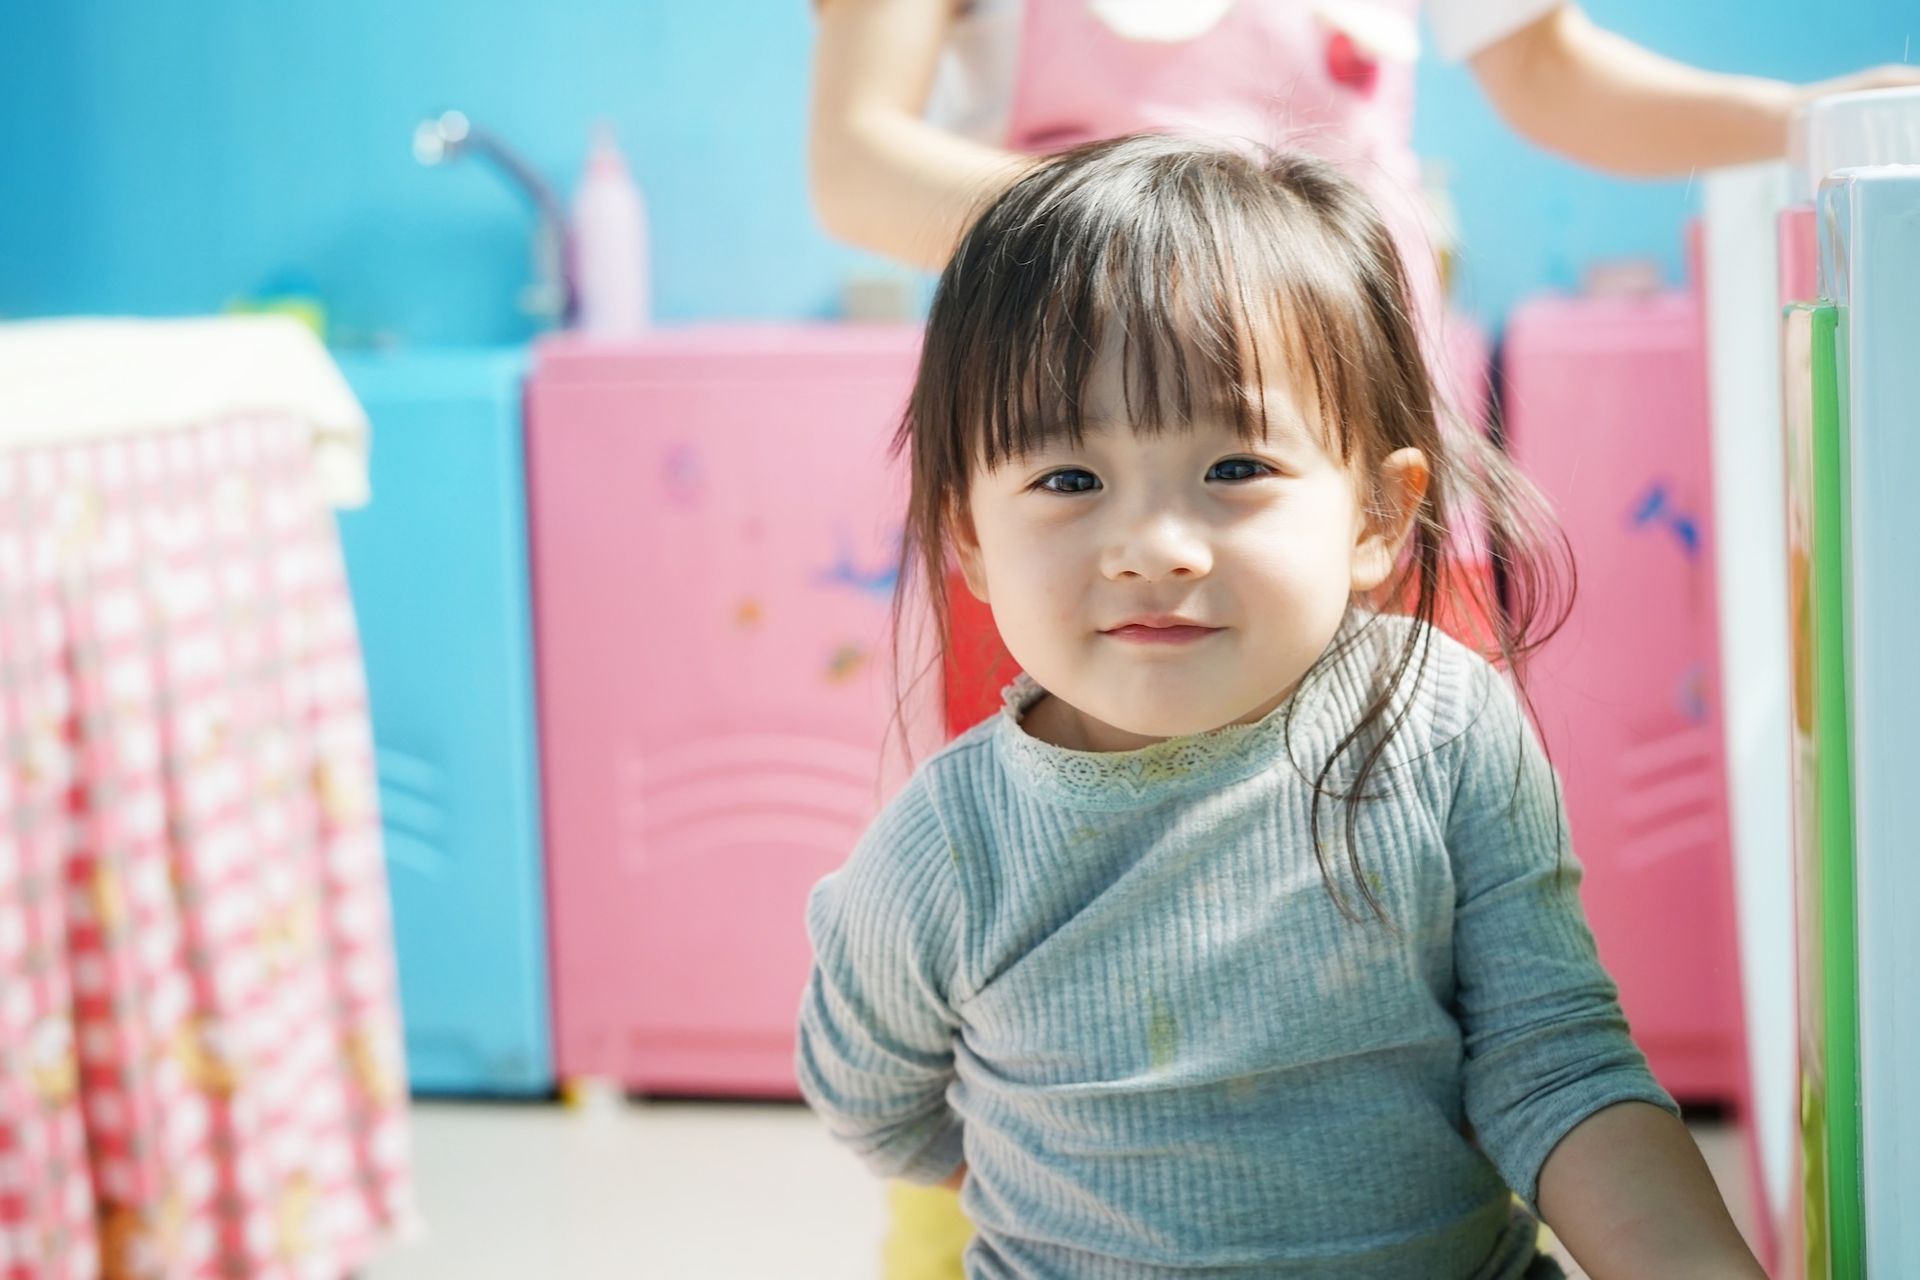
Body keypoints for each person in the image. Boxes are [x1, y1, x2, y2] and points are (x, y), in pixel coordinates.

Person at [795, 135, 1767, 1278]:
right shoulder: (947, 848)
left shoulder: (1445, 727)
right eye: (1069, 479)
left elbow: (1556, 1069)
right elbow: (876, 1099)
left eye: (1235, 469)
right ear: (968, 532)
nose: (1153, 547)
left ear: (1375, 515)